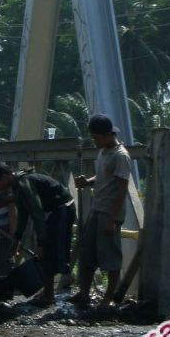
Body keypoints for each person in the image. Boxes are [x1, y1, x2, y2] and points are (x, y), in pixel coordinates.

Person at [0, 162, 76, 306]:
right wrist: (17, 238)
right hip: (54, 211)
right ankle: (47, 291)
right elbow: (23, 214)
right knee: (47, 254)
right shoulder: (17, 186)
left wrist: (41, 243)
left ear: (5, 177)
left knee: (49, 252)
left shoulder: (24, 184)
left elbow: (37, 214)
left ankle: (49, 295)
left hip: (62, 209)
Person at [72, 114, 132, 308]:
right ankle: (84, 292)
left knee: (111, 257)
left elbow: (122, 188)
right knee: (88, 252)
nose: (95, 142)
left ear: (107, 135)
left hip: (109, 213)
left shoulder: (120, 156)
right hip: (97, 209)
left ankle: (109, 298)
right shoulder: (105, 152)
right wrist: (87, 182)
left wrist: (112, 220)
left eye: (97, 138)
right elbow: (103, 176)